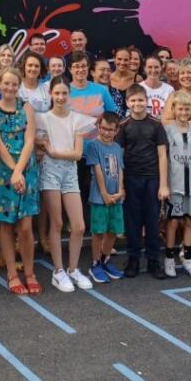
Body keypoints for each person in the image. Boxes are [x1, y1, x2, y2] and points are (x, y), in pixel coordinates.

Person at [34, 76, 93, 293]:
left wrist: (52, 151)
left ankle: (73, 268)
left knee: (78, 225)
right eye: (56, 93)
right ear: (51, 94)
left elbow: (77, 154)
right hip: (50, 172)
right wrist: (43, 149)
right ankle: (58, 271)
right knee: (57, 223)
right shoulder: (42, 119)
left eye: (64, 93)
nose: (60, 97)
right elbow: (35, 144)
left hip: (70, 173)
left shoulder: (77, 119)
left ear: (69, 95)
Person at [0, 67, 41, 295]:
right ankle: (12, 273)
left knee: (26, 227)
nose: (9, 88)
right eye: (6, 83)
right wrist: (13, 170)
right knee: (7, 225)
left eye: (13, 84)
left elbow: (30, 140)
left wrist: (19, 171)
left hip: (26, 169)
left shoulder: (26, 107)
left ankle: (29, 272)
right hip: (3, 172)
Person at [117, 84, 169, 279]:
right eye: (133, 100)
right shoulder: (123, 126)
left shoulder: (156, 125)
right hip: (131, 179)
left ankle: (154, 260)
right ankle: (133, 258)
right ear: (127, 102)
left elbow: (163, 156)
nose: (137, 104)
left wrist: (163, 184)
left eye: (141, 100)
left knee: (152, 220)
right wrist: (121, 185)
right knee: (133, 221)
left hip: (152, 179)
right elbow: (120, 156)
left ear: (146, 101)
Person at [163, 91, 191, 279]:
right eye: (180, 108)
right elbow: (163, 157)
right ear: (173, 109)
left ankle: (187, 259)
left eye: (187, 109)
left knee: (190, 221)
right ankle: (169, 258)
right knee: (173, 221)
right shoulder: (168, 130)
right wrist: (163, 182)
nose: (183, 112)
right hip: (175, 183)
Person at [86, 111, 125, 284]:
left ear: (116, 130)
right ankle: (95, 264)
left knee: (113, 231)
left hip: (116, 196)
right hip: (99, 197)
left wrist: (120, 190)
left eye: (110, 130)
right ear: (98, 127)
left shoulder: (116, 147)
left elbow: (121, 169)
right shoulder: (93, 145)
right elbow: (97, 170)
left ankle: (105, 260)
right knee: (99, 232)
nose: (106, 132)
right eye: (103, 128)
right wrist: (104, 193)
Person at [142, 53, 174, 120]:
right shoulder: (138, 88)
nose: (153, 70)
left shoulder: (169, 90)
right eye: (150, 67)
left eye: (156, 67)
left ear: (161, 67)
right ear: (144, 68)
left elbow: (172, 114)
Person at [109, 47, 136, 118]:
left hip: (132, 121)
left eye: (126, 60)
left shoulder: (137, 79)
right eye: (119, 59)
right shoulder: (108, 79)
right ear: (114, 59)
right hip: (112, 122)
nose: (122, 62)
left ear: (130, 60)